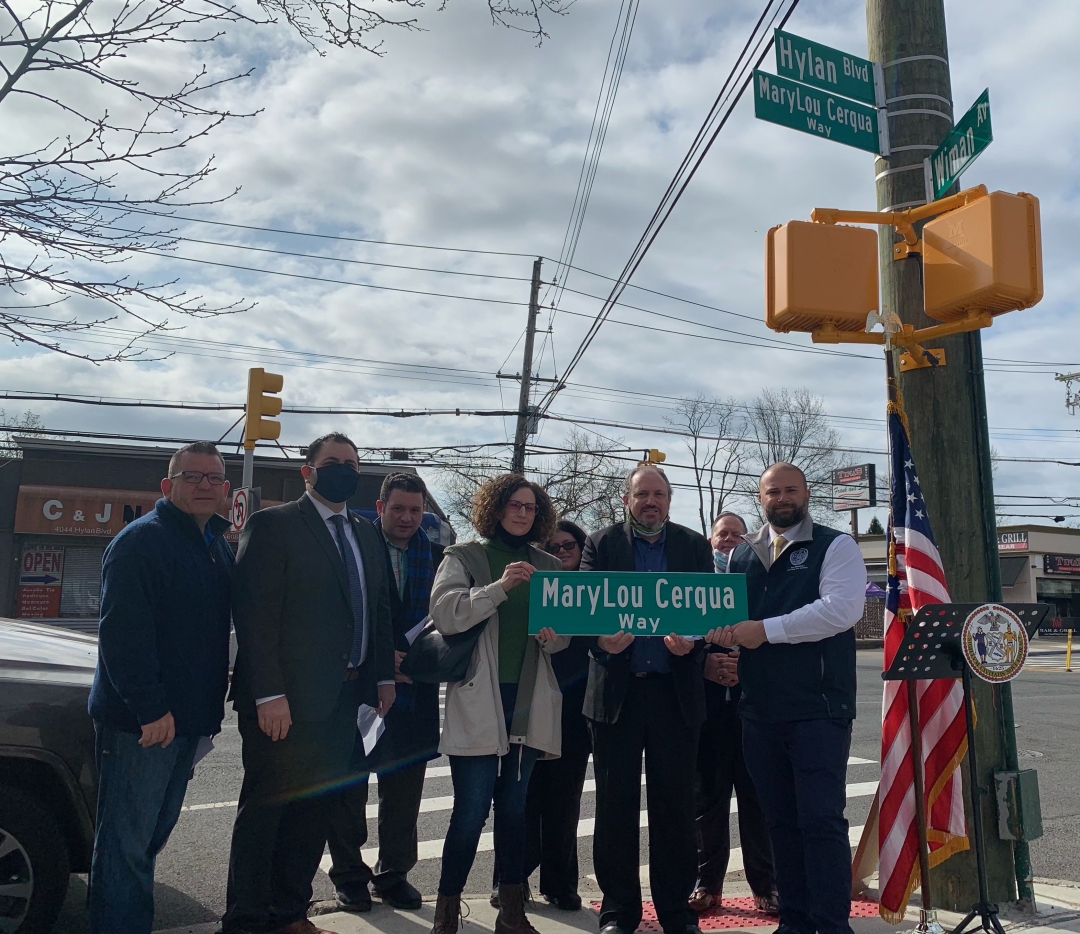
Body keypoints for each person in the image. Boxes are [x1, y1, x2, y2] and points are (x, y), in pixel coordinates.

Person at [223, 433, 395, 934]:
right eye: (332, 461)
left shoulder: (366, 533)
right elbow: (255, 614)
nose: (344, 470)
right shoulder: (274, 525)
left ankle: (290, 914)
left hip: (345, 699)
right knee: (266, 813)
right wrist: (268, 693)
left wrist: (383, 677)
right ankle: (245, 921)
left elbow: (379, 609)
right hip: (285, 702)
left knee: (313, 813)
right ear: (308, 471)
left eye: (352, 464)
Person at [706, 463, 865, 934]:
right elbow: (725, 621)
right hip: (758, 711)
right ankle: (793, 921)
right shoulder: (742, 555)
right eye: (773, 491)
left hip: (819, 709)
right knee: (779, 822)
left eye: (791, 489)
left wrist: (766, 631)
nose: (782, 498)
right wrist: (692, 638)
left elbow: (840, 611)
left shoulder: (836, 545)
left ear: (806, 493)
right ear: (761, 498)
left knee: (821, 821)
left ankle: (831, 924)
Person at [87, 442, 234, 934]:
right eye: (193, 476)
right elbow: (122, 635)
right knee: (125, 846)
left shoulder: (215, 545)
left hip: (187, 723)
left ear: (226, 489)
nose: (205, 485)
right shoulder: (140, 542)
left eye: (214, 478)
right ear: (168, 486)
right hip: (143, 724)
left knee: (149, 840)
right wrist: (150, 708)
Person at [428, 474, 567, 934]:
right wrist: (499, 587)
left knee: (514, 811)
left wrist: (552, 637)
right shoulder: (464, 557)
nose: (523, 513)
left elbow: (562, 637)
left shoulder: (548, 564)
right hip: (477, 699)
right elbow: (445, 614)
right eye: (514, 505)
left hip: (528, 700)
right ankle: (446, 913)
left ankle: (512, 912)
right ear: (496, 508)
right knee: (470, 811)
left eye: (531, 507)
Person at [581, 464, 712, 934]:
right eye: (642, 495)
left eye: (659, 494)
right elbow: (584, 610)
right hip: (617, 694)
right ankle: (619, 911)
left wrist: (692, 642)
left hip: (674, 695)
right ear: (626, 500)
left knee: (675, 809)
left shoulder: (694, 545)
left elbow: (709, 609)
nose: (650, 502)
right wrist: (601, 640)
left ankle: (676, 911)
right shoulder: (601, 544)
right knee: (614, 807)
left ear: (669, 501)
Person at [327, 472, 444, 912]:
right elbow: (336, 614)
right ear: (380, 508)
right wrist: (381, 661)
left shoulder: (440, 560)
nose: (407, 517)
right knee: (349, 789)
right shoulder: (354, 550)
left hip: (416, 693)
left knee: (404, 794)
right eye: (398, 508)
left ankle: (394, 875)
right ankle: (349, 874)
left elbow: (452, 624)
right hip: (357, 688)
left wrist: (417, 664)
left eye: (415, 510)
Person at [502, 519, 592, 910]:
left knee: (565, 800)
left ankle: (560, 883)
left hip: (576, 709)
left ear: (582, 548)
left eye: (569, 544)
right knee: (520, 796)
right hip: (529, 699)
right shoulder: (529, 589)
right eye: (552, 547)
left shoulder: (596, 594)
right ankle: (511, 878)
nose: (562, 552)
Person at [692, 512, 777, 914]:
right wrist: (703, 664)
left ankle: (766, 885)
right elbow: (673, 639)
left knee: (757, 801)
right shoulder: (693, 586)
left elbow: (777, 636)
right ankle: (706, 884)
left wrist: (747, 667)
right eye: (722, 534)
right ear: (710, 540)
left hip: (753, 709)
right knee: (706, 802)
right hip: (706, 712)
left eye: (737, 535)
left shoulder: (761, 582)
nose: (728, 539)